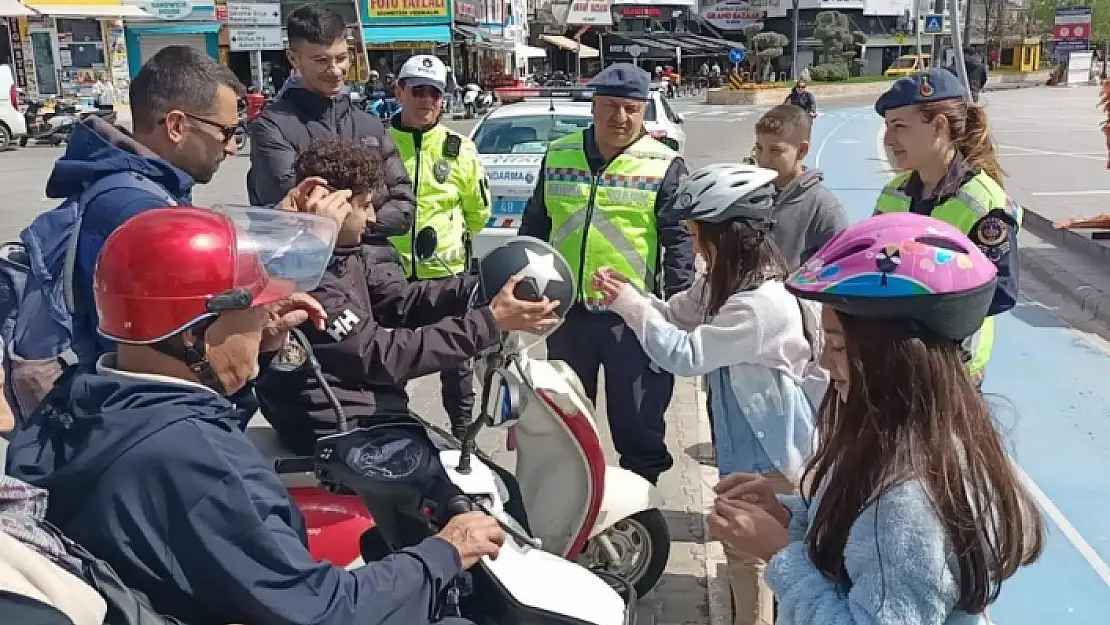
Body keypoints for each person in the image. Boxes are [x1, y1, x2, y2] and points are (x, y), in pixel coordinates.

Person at [6, 206, 508, 625]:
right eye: (253, 311)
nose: (267, 319)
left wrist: (261, 350)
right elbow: (326, 612)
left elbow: (188, 412)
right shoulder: (203, 465)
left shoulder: (79, 397)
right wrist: (446, 550)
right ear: (193, 336)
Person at [708, 212, 1044, 624]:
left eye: (836, 345)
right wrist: (787, 517)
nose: (825, 363)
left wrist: (779, 555)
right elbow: (860, 551)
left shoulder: (908, 504)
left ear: (892, 358)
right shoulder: (910, 441)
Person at [6, 45, 350, 424]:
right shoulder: (134, 209)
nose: (234, 147)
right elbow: (177, 349)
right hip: (134, 421)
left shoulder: (132, 187)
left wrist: (281, 221)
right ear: (175, 125)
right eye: (228, 132)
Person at [591, 164, 822, 625]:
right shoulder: (732, 284)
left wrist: (632, 307)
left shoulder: (760, 306)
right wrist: (631, 295)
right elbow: (676, 315)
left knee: (751, 556)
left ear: (730, 237)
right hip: (745, 446)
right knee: (745, 553)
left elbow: (685, 353)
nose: (695, 247)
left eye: (701, 236)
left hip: (772, 454)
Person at [256, 138, 555, 453]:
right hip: (340, 429)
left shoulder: (339, 256)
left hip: (366, 411)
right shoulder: (308, 277)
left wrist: (480, 286)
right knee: (478, 498)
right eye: (365, 204)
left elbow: (400, 300)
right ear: (336, 205)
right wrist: (489, 322)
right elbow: (384, 355)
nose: (373, 218)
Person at [518, 62, 696, 485]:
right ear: (594, 107)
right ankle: (571, 507)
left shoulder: (665, 164)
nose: (621, 118)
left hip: (632, 322)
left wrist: (678, 312)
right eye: (611, 106)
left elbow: (679, 245)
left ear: (644, 111)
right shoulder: (559, 153)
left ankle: (641, 515)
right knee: (565, 419)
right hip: (567, 317)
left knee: (638, 424)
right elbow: (535, 227)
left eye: (632, 108)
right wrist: (525, 290)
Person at [874, 68, 1020, 385]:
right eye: (887, 127)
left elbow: (1000, 293)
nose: (888, 140)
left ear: (939, 126)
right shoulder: (894, 192)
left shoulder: (983, 203)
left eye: (899, 127)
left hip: (951, 369)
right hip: (897, 359)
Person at [387, 54, 492, 437]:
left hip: (446, 280)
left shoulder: (459, 148)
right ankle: (394, 432)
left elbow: (478, 212)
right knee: (390, 363)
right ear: (399, 91)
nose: (426, 100)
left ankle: (464, 438)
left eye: (435, 92)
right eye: (418, 90)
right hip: (390, 281)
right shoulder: (378, 142)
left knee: (457, 365)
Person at [246, 4, 416, 240]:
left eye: (341, 58)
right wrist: (366, 210)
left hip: (378, 268)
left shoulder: (370, 125)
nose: (335, 70)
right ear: (294, 58)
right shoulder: (272, 127)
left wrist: (352, 220)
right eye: (321, 60)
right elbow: (287, 207)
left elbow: (404, 207)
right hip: (310, 269)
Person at [753, 105, 847, 269]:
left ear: (802, 150)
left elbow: (840, 271)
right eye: (759, 148)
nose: (764, 159)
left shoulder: (824, 209)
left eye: (776, 151)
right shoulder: (751, 196)